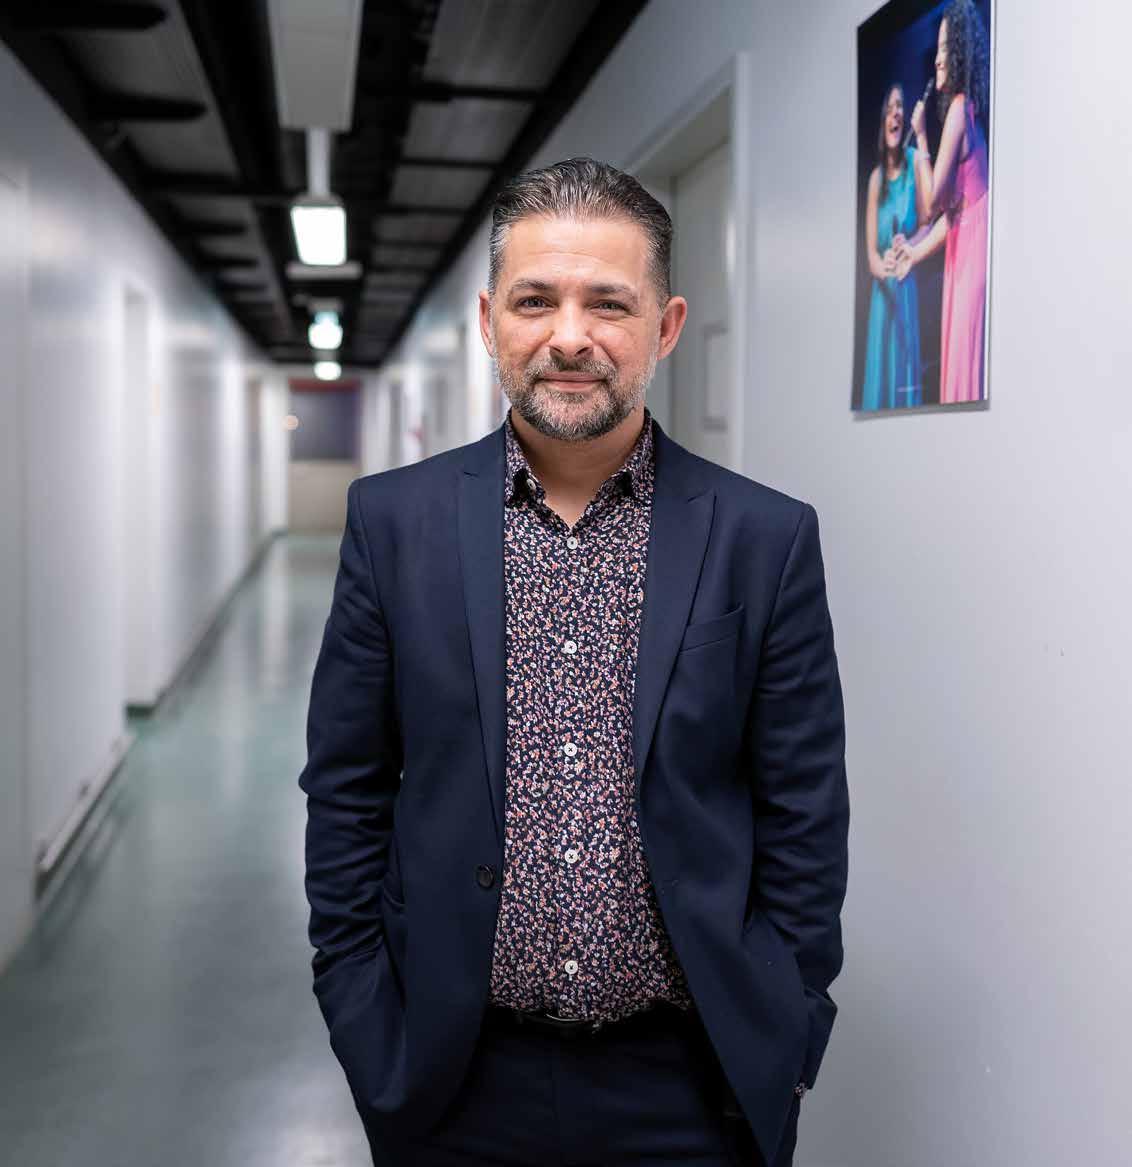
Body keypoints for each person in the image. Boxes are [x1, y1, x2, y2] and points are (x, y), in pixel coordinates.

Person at [299, 157, 849, 1167]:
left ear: (665, 327)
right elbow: (347, 785)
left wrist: (790, 1016)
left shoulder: (763, 539)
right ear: (488, 320)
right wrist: (363, 1015)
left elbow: (803, 806)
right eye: (534, 300)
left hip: (689, 1090)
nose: (568, 336)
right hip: (452, 1079)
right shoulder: (394, 523)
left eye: (608, 303)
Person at [894, 0, 991, 404]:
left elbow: (932, 203)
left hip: (970, 254)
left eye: (946, 48)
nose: (937, 59)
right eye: (937, 49)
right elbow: (954, 216)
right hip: (964, 247)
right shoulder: (965, 109)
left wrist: (920, 138)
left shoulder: (958, 110)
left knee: (963, 370)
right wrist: (914, 253)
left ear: (962, 52)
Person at [861, 83, 929, 410]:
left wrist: (909, 247)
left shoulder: (915, 163)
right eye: (889, 109)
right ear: (882, 121)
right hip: (881, 302)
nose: (896, 114)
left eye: (900, 106)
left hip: (907, 292)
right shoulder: (876, 180)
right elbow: (871, 256)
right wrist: (883, 265)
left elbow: (929, 223)